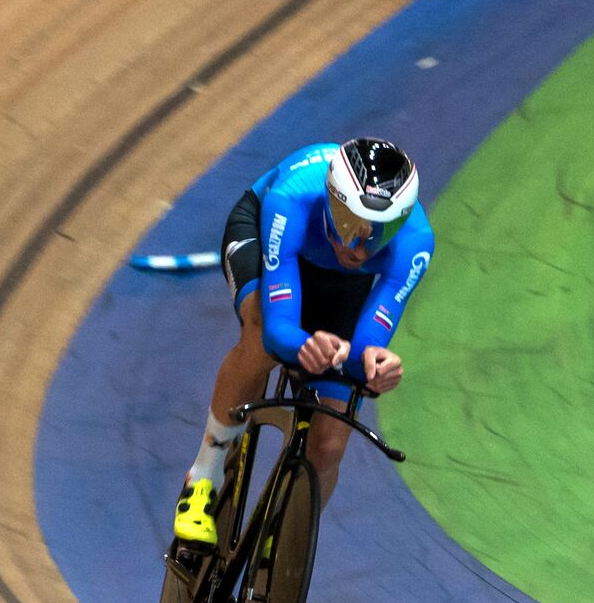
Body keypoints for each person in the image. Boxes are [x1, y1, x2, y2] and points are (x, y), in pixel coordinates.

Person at [174, 138, 434, 545]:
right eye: (348, 223)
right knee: (261, 337)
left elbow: (366, 347)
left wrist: (375, 367)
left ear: (399, 224)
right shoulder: (291, 198)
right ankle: (203, 475)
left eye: (374, 234)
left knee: (330, 444)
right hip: (271, 244)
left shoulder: (415, 243)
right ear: (331, 200)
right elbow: (281, 331)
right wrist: (303, 347)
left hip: (342, 286)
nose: (355, 246)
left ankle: (284, 540)